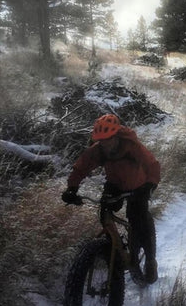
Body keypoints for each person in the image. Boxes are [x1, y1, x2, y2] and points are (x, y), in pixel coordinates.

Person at [62, 114, 160, 284]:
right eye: (101, 140)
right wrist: (72, 188)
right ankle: (114, 250)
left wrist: (150, 185)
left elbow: (152, 164)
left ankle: (150, 260)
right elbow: (81, 167)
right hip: (115, 185)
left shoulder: (131, 146)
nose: (105, 144)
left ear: (116, 136)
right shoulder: (98, 150)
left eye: (108, 139)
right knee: (105, 214)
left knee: (138, 219)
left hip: (138, 186)